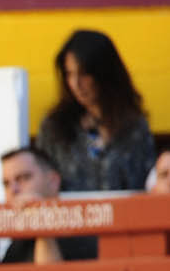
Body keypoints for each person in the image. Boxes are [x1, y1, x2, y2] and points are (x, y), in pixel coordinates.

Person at [34, 28, 155, 192]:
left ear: (104, 73)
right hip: (71, 209)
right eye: (69, 74)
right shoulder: (54, 126)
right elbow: (40, 184)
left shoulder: (134, 127)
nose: (76, 84)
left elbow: (147, 186)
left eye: (84, 73)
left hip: (124, 208)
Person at [0, 146, 99, 263]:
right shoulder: (18, 243)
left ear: (53, 181)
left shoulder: (81, 232)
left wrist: (42, 219)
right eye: (6, 184)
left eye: (23, 178)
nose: (13, 190)